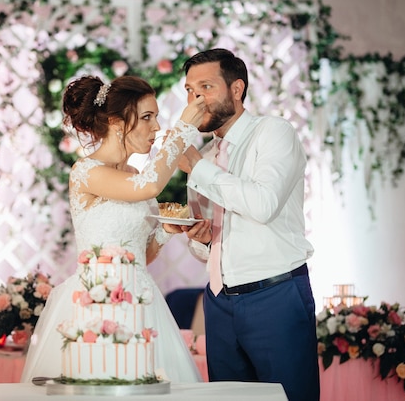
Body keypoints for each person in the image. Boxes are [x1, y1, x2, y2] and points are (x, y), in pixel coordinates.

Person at [20, 75, 206, 383]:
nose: (156, 127)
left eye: (157, 117)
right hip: (95, 304)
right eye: (147, 117)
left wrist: (164, 231)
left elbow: (140, 256)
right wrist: (184, 129)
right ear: (117, 122)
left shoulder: (133, 173)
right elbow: (148, 185)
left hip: (140, 302)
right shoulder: (86, 172)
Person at [175, 48, 319, 401]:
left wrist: (198, 168)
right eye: (190, 92)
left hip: (276, 294)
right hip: (219, 301)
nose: (196, 101)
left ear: (236, 89)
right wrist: (200, 238)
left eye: (205, 88)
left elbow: (263, 204)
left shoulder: (273, 132)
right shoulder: (205, 156)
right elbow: (207, 239)